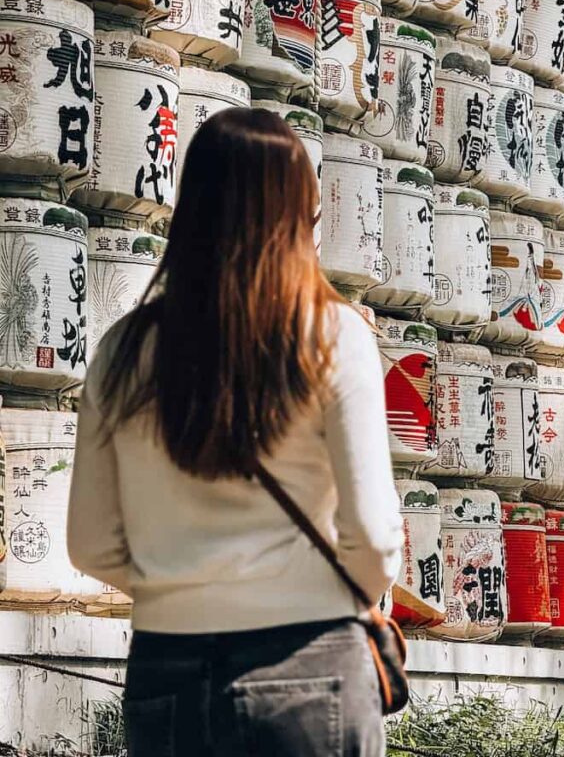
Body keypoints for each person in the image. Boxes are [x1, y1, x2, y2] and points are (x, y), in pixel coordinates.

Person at [67, 108, 403, 757]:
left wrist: (188, 588)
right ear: (300, 219)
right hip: (309, 662)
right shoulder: (332, 336)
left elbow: (89, 544)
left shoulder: (123, 350)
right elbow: (373, 535)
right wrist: (307, 592)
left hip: (167, 668)